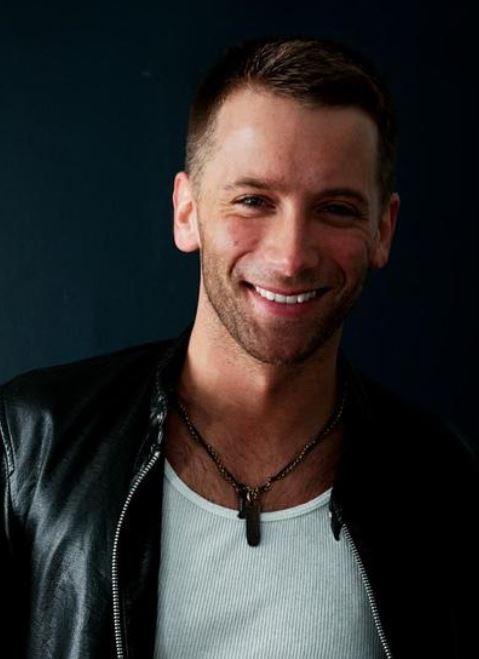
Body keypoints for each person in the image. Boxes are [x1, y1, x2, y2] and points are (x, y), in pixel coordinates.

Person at [1, 37, 477, 659]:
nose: (290, 256)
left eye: (336, 209)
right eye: (254, 201)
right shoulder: (31, 444)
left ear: (382, 230)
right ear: (187, 211)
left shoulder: (445, 482)